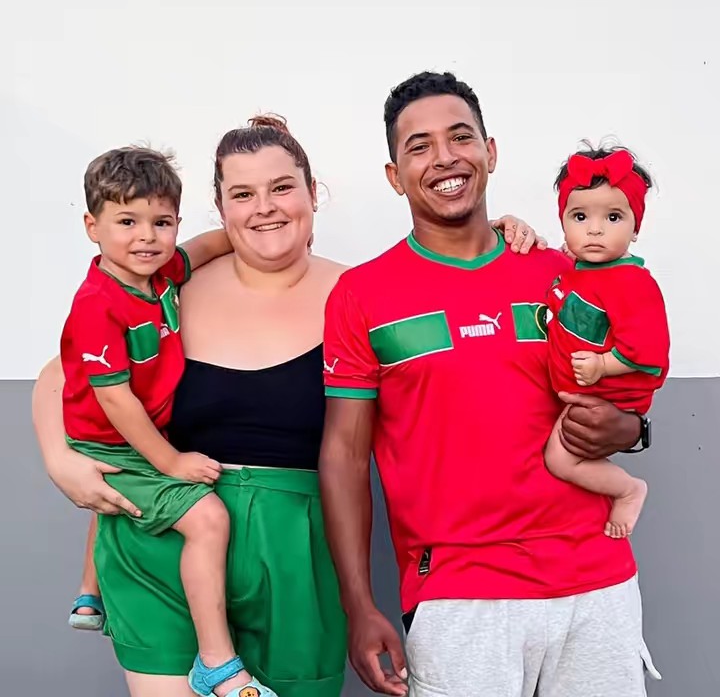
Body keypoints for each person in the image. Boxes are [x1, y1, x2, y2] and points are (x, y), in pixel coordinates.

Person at [32, 114, 540, 697]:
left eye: (281, 187)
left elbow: (463, 322)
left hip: (298, 556)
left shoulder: (366, 294)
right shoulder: (168, 288)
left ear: (312, 193)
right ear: (220, 209)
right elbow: (61, 373)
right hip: (167, 539)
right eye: (242, 194)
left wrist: (497, 236)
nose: (265, 208)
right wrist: (60, 460)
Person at [319, 71, 661, 697]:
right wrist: (358, 604)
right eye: (419, 146)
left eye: (460, 137)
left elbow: (626, 385)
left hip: (596, 582)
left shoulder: (563, 273)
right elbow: (343, 454)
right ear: (395, 175)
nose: (444, 157)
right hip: (459, 596)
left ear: (490, 151)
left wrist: (633, 429)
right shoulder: (361, 295)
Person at [61, 145, 275, 697]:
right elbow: (117, 402)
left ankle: (88, 593)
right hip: (114, 442)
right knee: (208, 519)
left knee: (115, 511)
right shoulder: (98, 304)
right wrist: (171, 462)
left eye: (161, 222)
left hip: (129, 436)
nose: (147, 237)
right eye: (127, 222)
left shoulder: (160, 275)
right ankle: (216, 660)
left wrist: (250, 232)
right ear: (92, 227)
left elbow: (204, 247)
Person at [543, 145, 670, 540]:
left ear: (635, 227)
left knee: (560, 460)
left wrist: (602, 365)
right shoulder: (581, 270)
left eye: (613, 217)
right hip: (582, 393)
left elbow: (646, 352)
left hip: (606, 398)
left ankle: (628, 489)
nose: (594, 230)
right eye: (580, 217)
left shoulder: (632, 283)